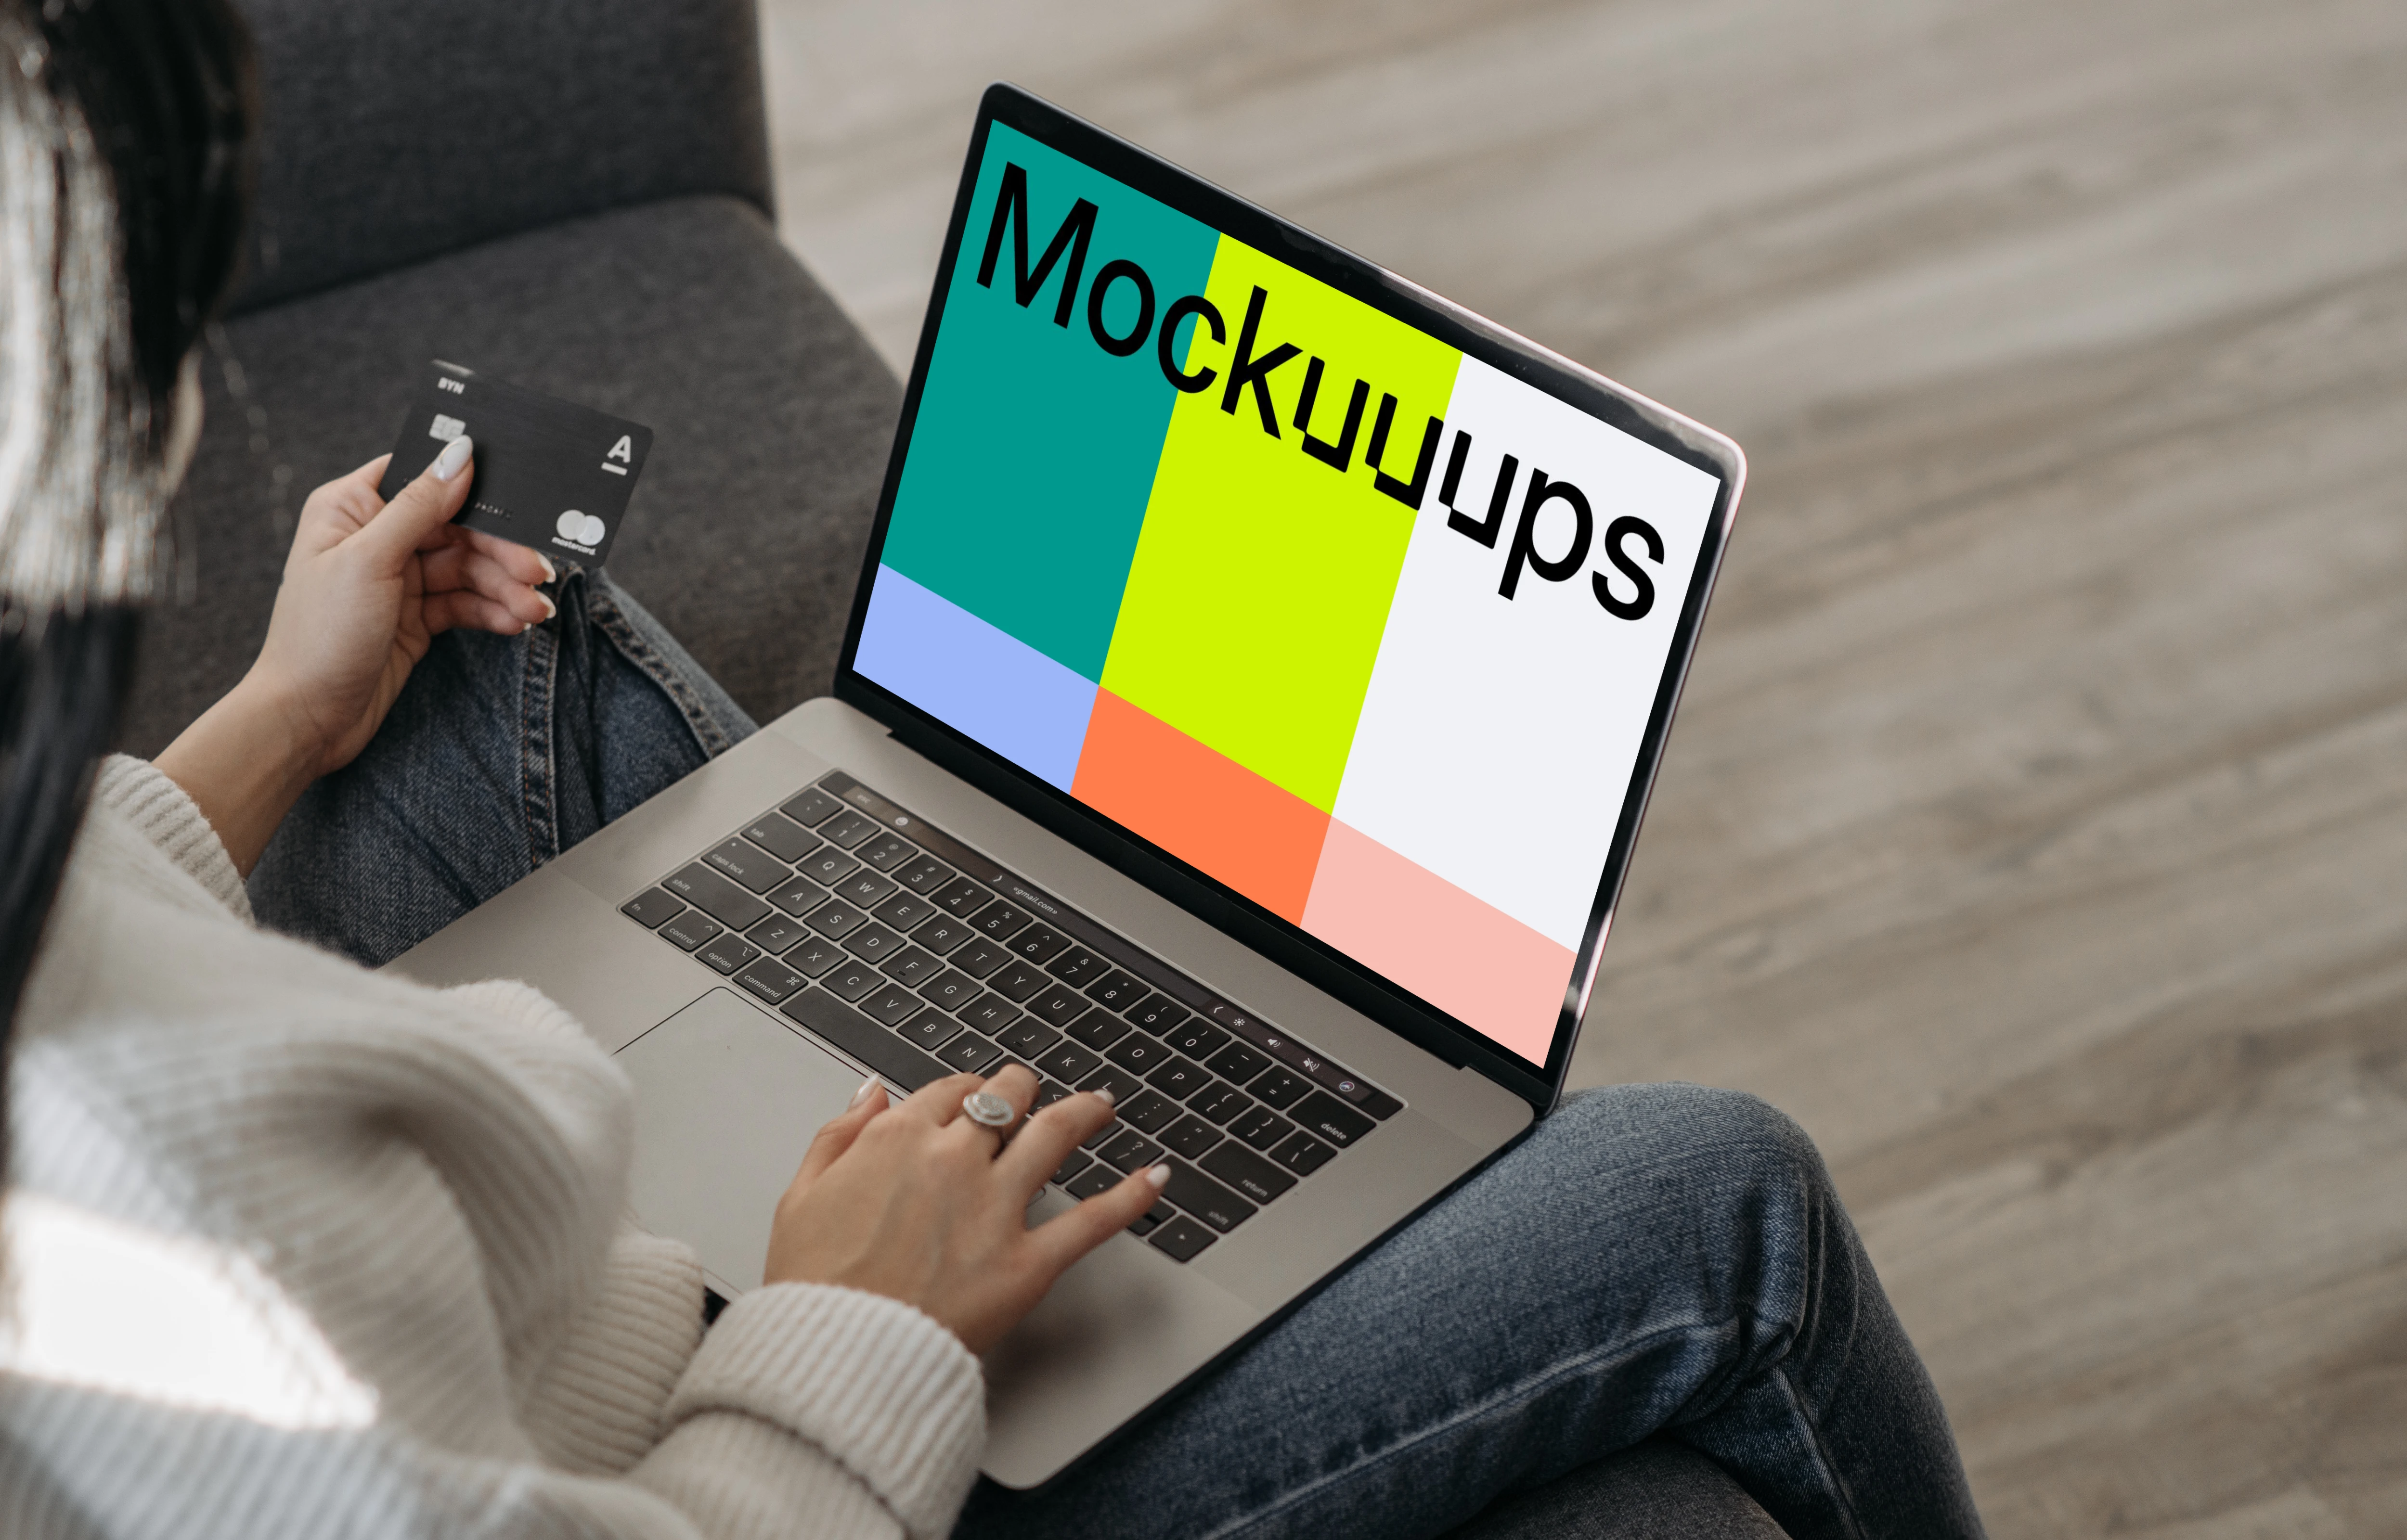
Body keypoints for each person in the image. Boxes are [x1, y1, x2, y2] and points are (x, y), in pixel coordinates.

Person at [0, 3, 1987, 1538]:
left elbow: (60, 937)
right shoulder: (149, 1251)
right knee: (1729, 1191)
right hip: (771, 1436)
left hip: (545, 1280)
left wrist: (272, 719)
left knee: (487, 618)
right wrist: (863, 1324)